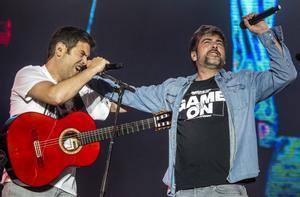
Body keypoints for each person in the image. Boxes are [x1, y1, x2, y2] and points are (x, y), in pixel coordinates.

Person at [91, 13, 297, 196]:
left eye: (219, 43)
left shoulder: (244, 83)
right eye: (207, 41)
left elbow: (286, 74)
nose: (215, 45)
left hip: (226, 189)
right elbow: (131, 96)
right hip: (182, 189)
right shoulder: (173, 89)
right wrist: (88, 76)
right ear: (194, 55)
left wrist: (264, 32)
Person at [1, 26, 113, 197]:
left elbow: (116, 106)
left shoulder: (79, 87)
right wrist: (92, 70)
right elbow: (56, 95)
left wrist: (156, 98)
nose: (85, 61)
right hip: (25, 183)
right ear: (60, 50)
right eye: (81, 54)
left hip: (65, 189)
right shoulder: (29, 73)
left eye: (88, 57)